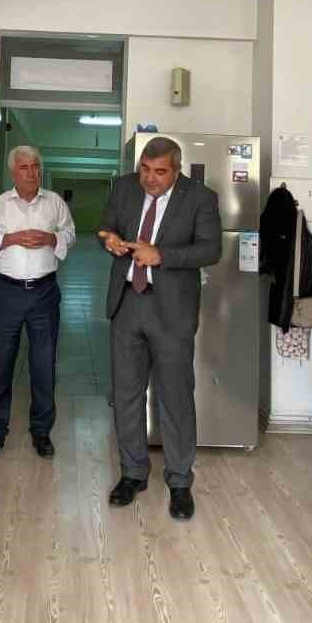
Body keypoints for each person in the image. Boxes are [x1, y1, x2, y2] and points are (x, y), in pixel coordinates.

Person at [97, 136, 222, 521]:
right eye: (145, 170)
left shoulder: (200, 198)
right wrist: (110, 241)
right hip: (127, 304)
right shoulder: (124, 187)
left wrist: (162, 255)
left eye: (160, 172)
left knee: (175, 397)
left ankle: (180, 481)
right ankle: (133, 473)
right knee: (126, 394)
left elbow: (211, 249)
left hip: (172, 311)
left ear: (177, 170)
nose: (150, 179)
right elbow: (106, 227)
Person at [0, 145, 76, 461]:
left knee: (43, 365)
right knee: (0, 363)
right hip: (7, 293)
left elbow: (70, 233)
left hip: (44, 293)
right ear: (13, 172)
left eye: (35, 167)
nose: (32, 173)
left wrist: (51, 239)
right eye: (24, 167)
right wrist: (10, 239)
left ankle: (41, 431)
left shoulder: (54, 203)